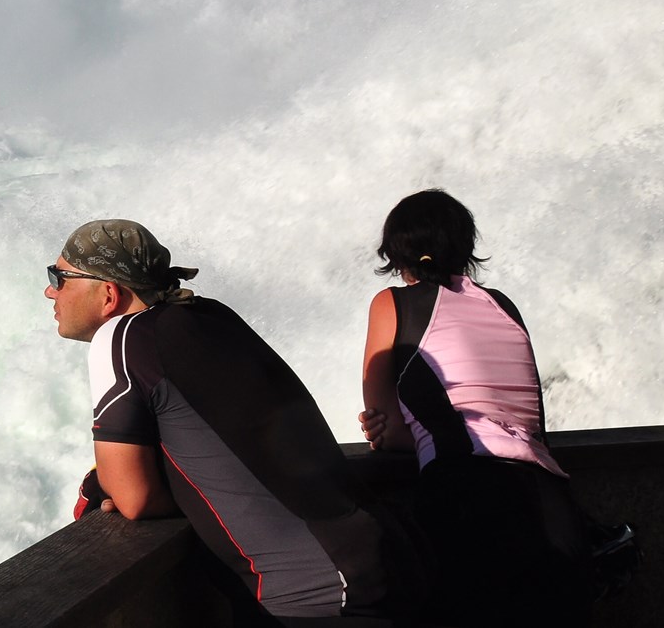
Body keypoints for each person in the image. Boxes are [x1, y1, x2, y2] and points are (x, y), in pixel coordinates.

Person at [48, 219, 424, 626]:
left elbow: (135, 498)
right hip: (390, 552)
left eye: (60, 277)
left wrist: (114, 484)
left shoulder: (120, 336)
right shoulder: (208, 314)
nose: (51, 290)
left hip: (317, 596)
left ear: (109, 294)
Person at [356, 189, 594, 626]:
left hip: (466, 493)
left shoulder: (392, 304)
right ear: (464, 247)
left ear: (397, 253)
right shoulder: (503, 305)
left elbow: (386, 430)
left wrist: (406, 434)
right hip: (553, 502)